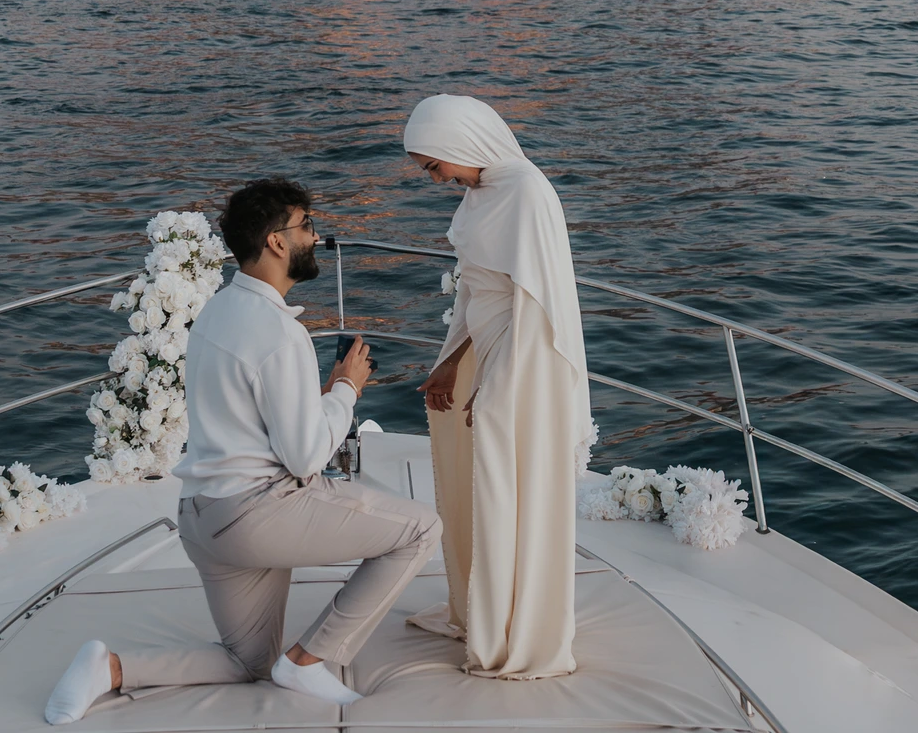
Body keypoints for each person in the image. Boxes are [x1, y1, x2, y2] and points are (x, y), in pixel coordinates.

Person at [44, 178, 442, 724]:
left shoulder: (217, 312)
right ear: (277, 242)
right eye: (306, 226)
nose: (315, 236)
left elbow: (250, 415)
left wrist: (314, 401)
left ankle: (110, 669)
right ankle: (308, 660)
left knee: (249, 661)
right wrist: (347, 390)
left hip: (203, 519)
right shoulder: (280, 333)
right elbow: (304, 459)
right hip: (258, 515)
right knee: (421, 529)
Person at [405, 95, 594, 680]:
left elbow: (534, 310)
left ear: (462, 144)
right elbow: (474, 290)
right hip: (486, 349)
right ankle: (480, 607)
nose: (436, 180)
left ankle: (517, 627)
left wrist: (494, 389)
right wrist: (451, 363)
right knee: (472, 477)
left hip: (524, 364)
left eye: (436, 166)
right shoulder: (481, 191)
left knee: (505, 485)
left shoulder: (527, 193)